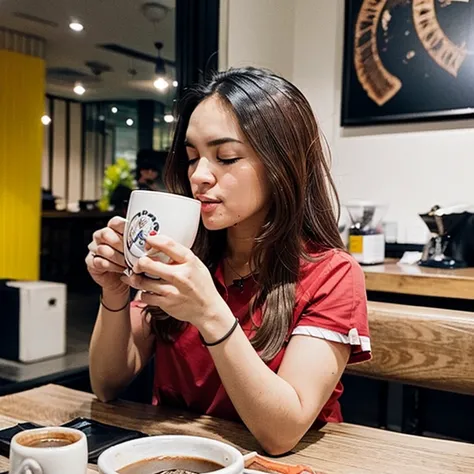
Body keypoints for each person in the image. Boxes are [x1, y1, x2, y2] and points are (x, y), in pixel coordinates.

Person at [86, 67, 371, 455]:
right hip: (176, 456)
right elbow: (106, 384)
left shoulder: (332, 273)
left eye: (226, 157)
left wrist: (209, 313)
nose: (199, 175)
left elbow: (281, 433)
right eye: (191, 158)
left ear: (282, 164)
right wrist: (115, 292)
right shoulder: (184, 254)